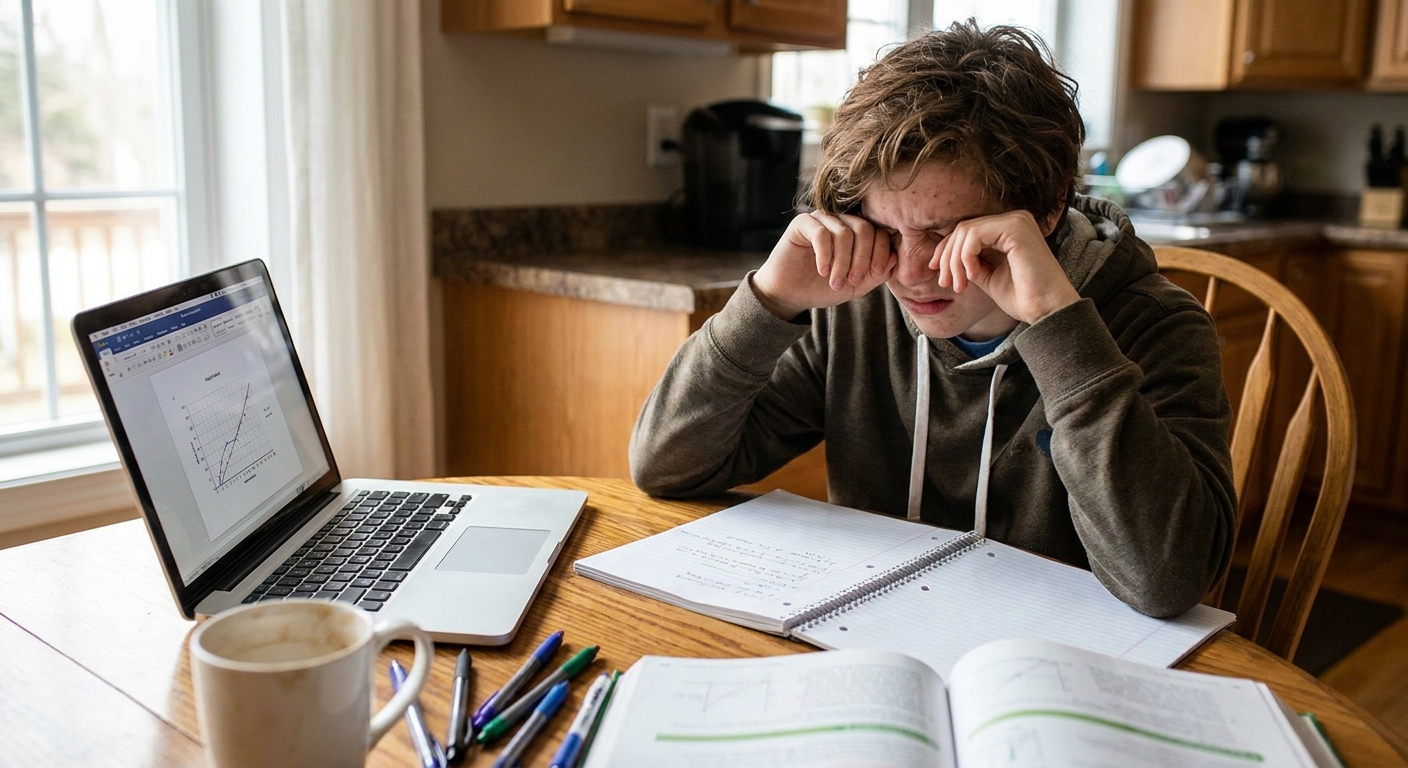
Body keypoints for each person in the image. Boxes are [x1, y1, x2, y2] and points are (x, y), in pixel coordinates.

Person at [630, 21, 1236, 619]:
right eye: (889, 230)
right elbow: (668, 465)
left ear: (1048, 211)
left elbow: (1166, 581)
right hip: (877, 637)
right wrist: (767, 300)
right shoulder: (856, 303)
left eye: (944, 234)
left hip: (1057, 672)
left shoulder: (1157, 326)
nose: (910, 273)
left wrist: (1059, 326)